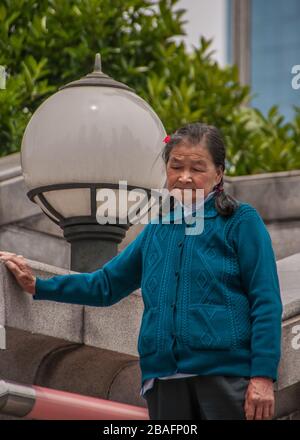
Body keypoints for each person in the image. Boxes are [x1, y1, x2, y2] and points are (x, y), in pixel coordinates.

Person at [0, 122, 282, 420]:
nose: (185, 177)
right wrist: (39, 285)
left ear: (219, 173)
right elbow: (105, 285)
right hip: (162, 383)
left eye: (198, 168)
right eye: (176, 166)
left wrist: (263, 377)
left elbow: (265, 301)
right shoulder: (157, 231)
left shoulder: (240, 221)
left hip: (225, 381)